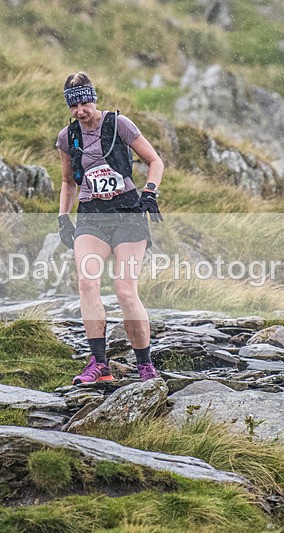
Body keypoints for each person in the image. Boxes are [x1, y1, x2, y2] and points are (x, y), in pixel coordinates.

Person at [56, 71, 164, 384]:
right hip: (91, 215)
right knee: (87, 283)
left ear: (93, 98)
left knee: (124, 291)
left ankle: (145, 365)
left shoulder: (120, 124)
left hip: (127, 213)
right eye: (73, 106)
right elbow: (67, 181)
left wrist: (150, 192)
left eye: (84, 103)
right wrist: (64, 217)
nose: (80, 111)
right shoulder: (68, 137)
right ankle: (99, 364)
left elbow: (154, 161)